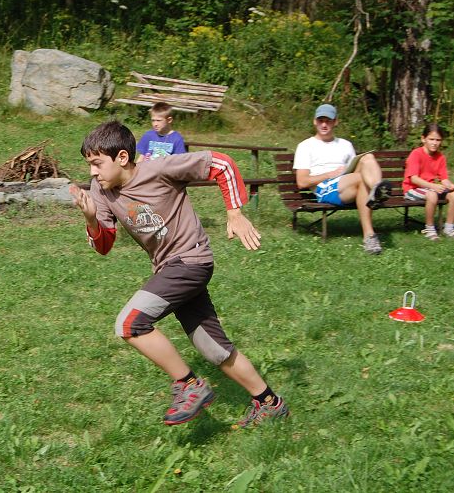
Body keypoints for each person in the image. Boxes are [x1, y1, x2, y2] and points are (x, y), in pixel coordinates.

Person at [69, 120, 288, 428]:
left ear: (122, 157)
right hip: (169, 268)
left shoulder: (160, 169)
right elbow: (103, 246)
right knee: (212, 347)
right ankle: (270, 403)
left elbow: (221, 164)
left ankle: (189, 385)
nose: (92, 172)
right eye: (89, 165)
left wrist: (235, 213)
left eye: (97, 163)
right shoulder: (101, 191)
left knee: (130, 323)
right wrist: (91, 219)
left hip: (190, 261)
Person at [293, 104, 392, 254]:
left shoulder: (345, 144)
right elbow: (302, 182)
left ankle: (375, 190)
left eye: (328, 121)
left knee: (368, 158)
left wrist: (346, 172)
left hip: (347, 182)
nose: (324, 125)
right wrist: (329, 174)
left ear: (335, 122)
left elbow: (355, 167)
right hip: (325, 187)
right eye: (321, 120)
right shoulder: (306, 146)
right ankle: (371, 229)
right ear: (315, 121)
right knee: (360, 179)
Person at [402, 123, 454, 240]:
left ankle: (449, 228)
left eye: (438, 140)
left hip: (429, 188)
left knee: (453, 195)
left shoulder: (440, 157)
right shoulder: (416, 154)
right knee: (432, 195)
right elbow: (413, 179)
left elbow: (444, 179)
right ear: (423, 139)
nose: (434, 143)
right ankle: (429, 229)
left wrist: (450, 185)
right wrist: (433, 186)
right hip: (412, 189)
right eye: (431, 139)